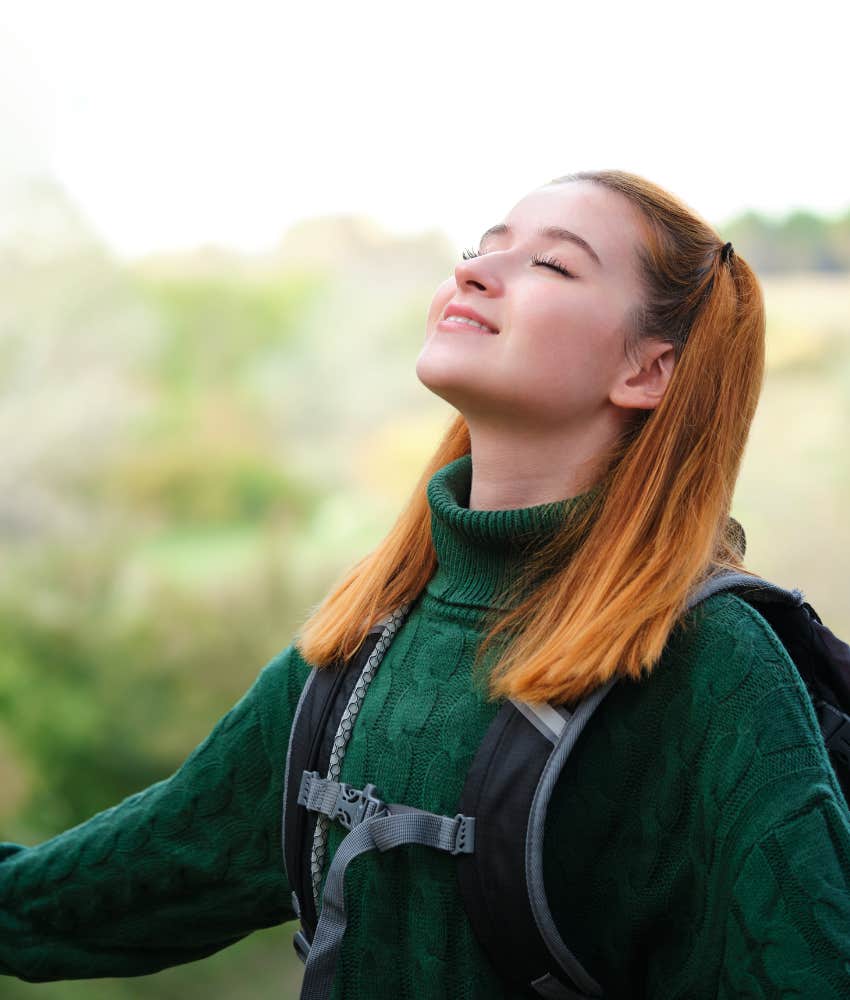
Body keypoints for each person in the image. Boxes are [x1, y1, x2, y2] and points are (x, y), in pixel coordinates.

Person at [2, 169, 849, 998]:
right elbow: (101, 892)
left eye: (550, 264)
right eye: (487, 246)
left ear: (647, 372)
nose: (474, 270)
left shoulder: (713, 670)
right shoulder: (357, 644)